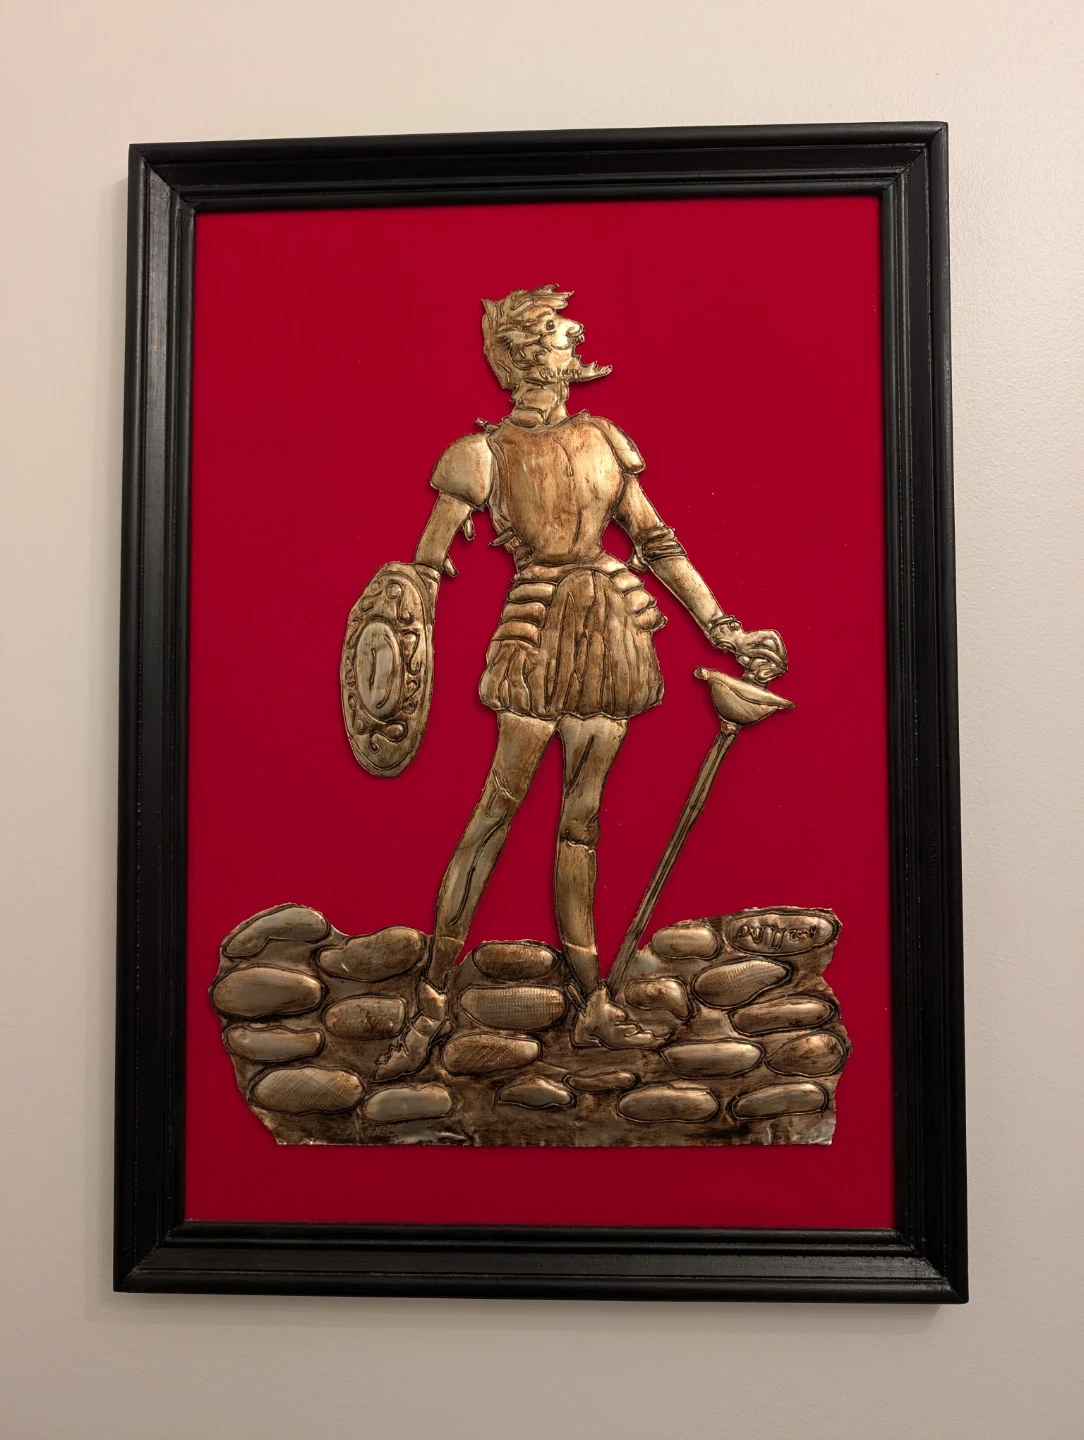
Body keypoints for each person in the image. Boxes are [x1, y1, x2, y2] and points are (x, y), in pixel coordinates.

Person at [375, 285, 785, 1080]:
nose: (579, 337)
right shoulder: (480, 454)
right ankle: (431, 1001)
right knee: (495, 814)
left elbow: (656, 542)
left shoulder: (602, 439)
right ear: (531, 355)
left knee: (582, 822)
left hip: (610, 629)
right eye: (564, 333)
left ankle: (592, 999)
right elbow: (420, 574)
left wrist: (724, 629)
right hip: (536, 634)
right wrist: (400, 651)